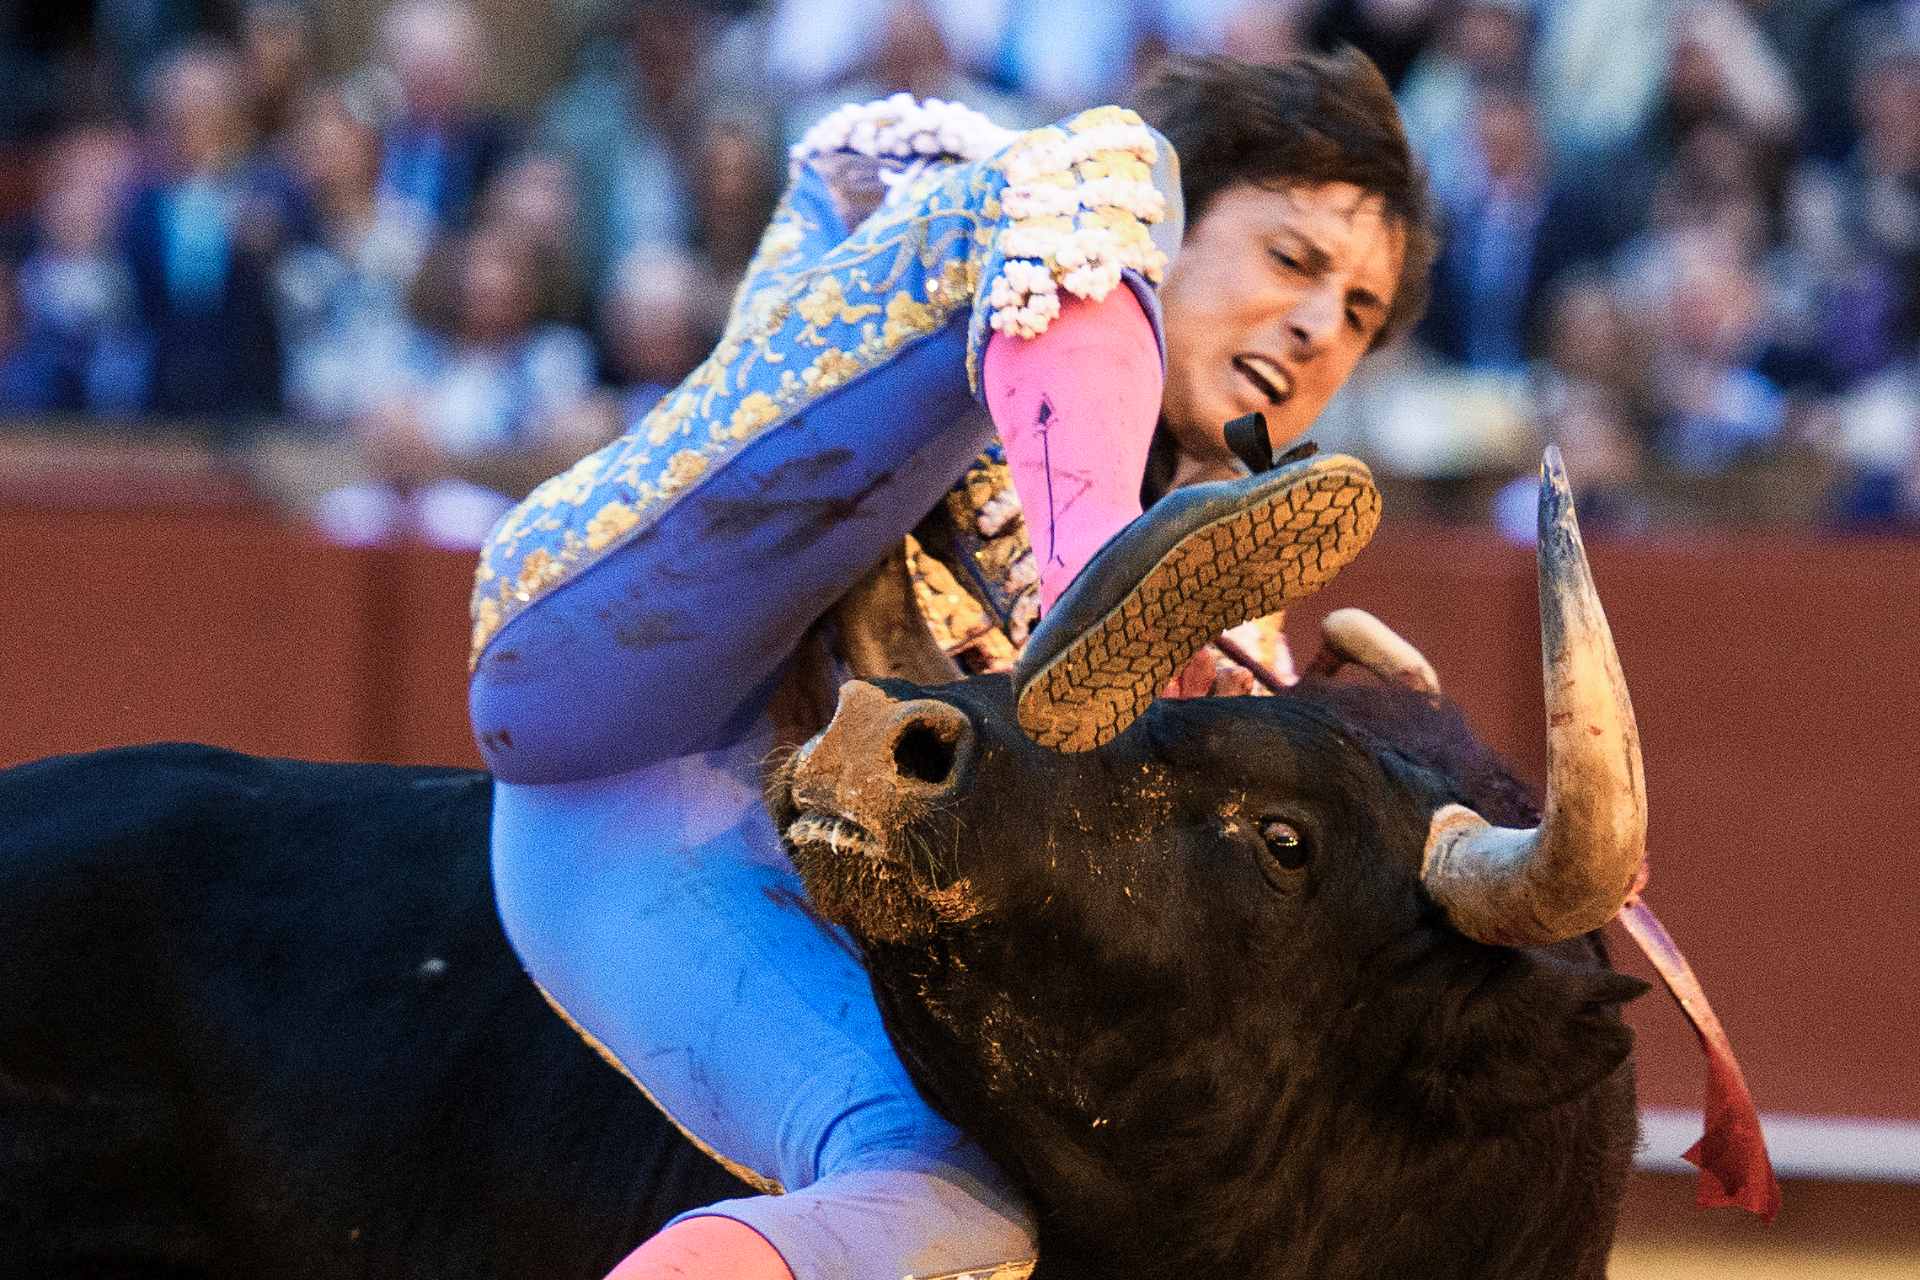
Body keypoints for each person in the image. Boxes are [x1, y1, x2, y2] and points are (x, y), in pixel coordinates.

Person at [469, 50, 1433, 1280]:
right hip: (618, 645)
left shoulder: (1237, 625)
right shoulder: (982, 192)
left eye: (1357, 314)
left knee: (958, 1194)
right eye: (1294, 260)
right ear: (1189, 225)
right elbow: (855, 256)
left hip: (640, 865)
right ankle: (1097, 582)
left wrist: (1368, 756)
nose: (1314, 327)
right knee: (1089, 175)